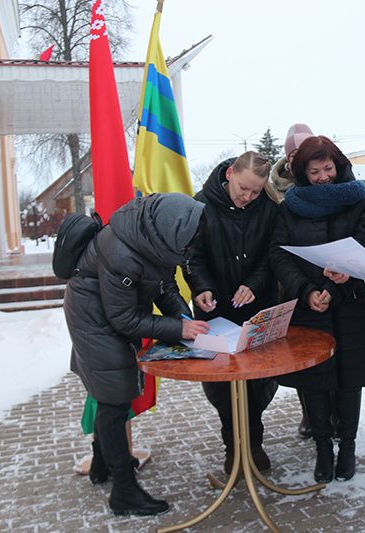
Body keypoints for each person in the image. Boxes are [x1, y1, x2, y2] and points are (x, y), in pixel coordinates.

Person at [64, 193, 209, 516]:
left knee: (111, 394)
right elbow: (123, 319)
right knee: (114, 397)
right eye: (185, 245)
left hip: (110, 308)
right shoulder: (122, 253)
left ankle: (103, 463)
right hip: (93, 316)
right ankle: (124, 493)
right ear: (172, 231)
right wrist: (177, 330)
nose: (186, 251)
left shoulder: (155, 237)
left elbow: (164, 285)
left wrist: (183, 318)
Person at [270, 135, 365, 483]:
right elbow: (279, 253)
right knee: (314, 380)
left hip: (348, 302)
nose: (322, 176)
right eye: (314, 170)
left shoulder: (357, 201)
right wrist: (306, 291)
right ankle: (322, 447)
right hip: (308, 306)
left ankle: (346, 446)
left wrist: (336, 284)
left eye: (328, 168)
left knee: (350, 380)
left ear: (339, 166)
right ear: (302, 173)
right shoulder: (290, 207)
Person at [186, 151, 280, 476]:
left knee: (259, 381)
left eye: (255, 191)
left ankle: (254, 442)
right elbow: (192, 257)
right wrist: (201, 287)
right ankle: (233, 444)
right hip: (214, 312)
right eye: (243, 188)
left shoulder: (268, 209)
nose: (247, 197)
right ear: (229, 174)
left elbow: (273, 255)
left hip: (256, 309)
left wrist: (255, 283)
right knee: (221, 385)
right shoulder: (200, 205)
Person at [265, 122, 318, 440]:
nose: (300, 158)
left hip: (326, 275)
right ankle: (309, 414)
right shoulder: (274, 189)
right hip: (289, 282)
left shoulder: (326, 174)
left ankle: (337, 413)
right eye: (294, 153)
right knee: (301, 354)